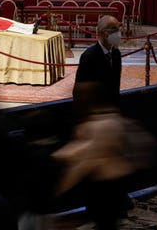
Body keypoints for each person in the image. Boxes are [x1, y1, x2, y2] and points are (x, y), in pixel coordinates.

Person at [52, 81, 138, 230]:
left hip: (104, 186)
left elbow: (87, 159)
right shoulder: (109, 118)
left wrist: (62, 187)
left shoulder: (98, 125)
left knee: (105, 222)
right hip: (110, 184)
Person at [73, 15, 122, 106]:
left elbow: (116, 85)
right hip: (95, 110)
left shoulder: (116, 54)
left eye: (119, 30)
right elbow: (78, 91)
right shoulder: (89, 56)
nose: (119, 34)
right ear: (103, 33)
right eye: (115, 30)